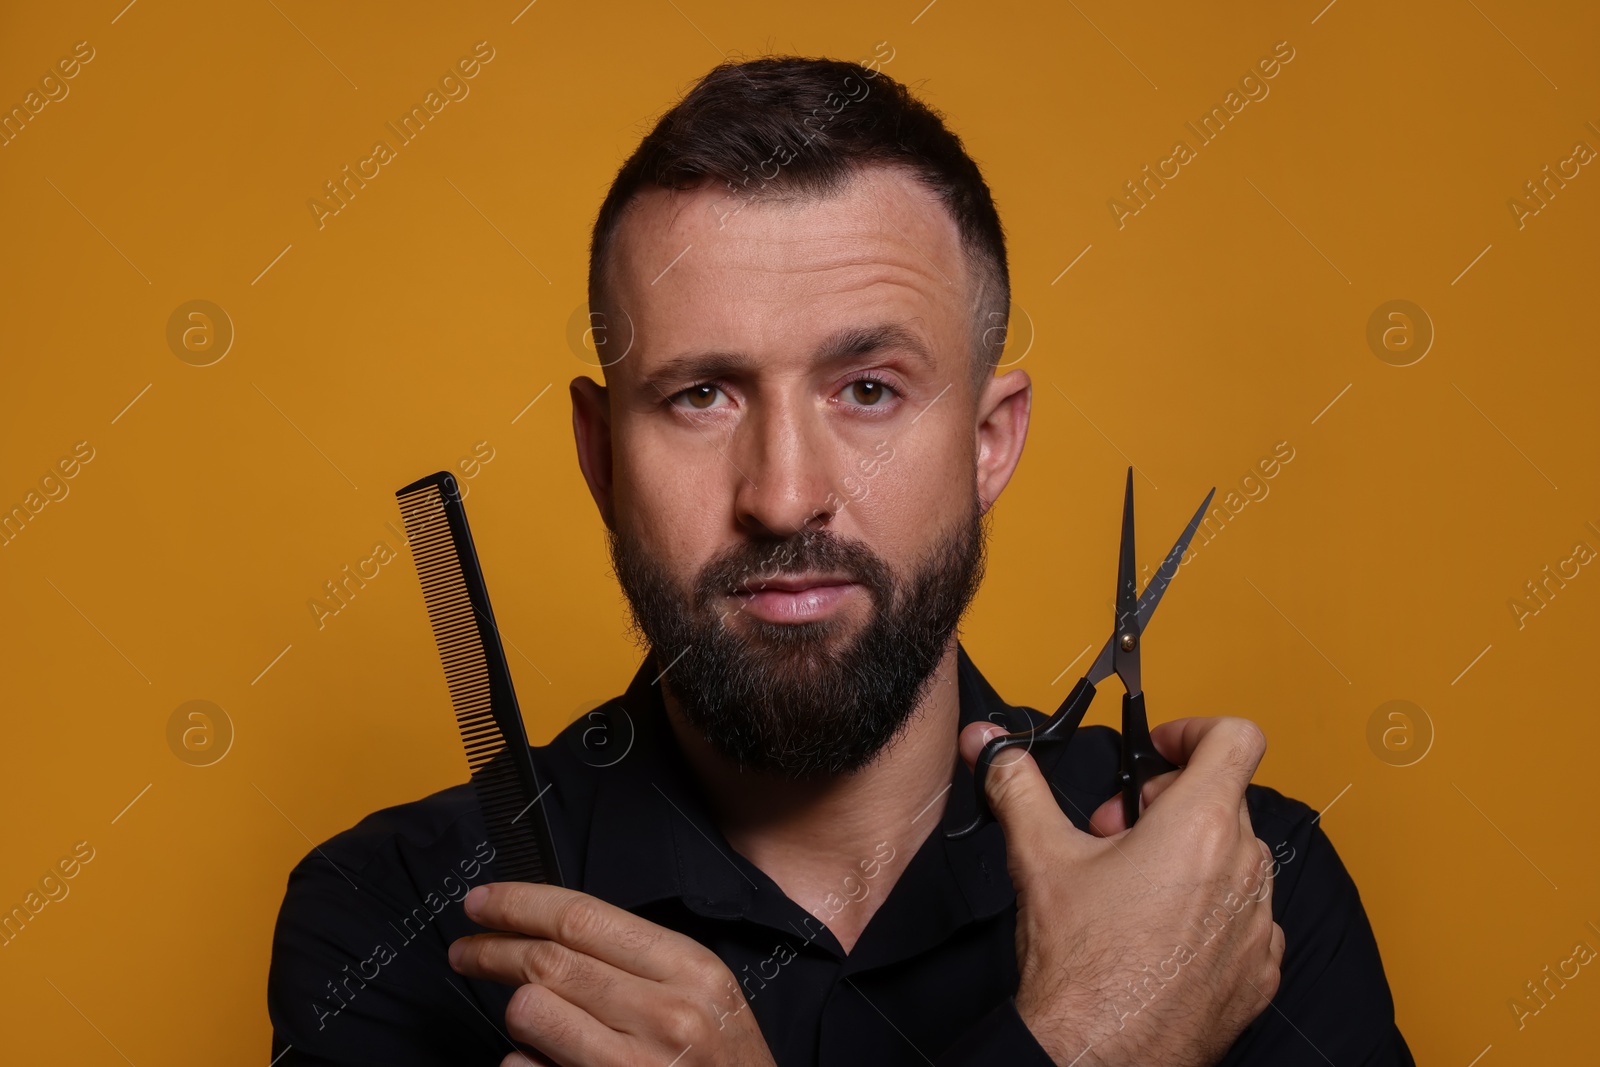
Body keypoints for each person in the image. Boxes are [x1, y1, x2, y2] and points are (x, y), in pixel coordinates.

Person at [267, 55, 1413, 1066]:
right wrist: (1089, 1041)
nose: (781, 494)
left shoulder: (1227, 894)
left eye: (868, 389)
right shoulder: (397, 916)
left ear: (987, 441)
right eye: (701, 394)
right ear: (602, 452)